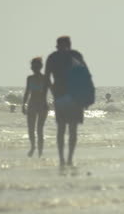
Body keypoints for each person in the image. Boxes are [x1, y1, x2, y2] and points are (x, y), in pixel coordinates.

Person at [45, 36, 89, 167]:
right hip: (61, 97)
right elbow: (47, 78)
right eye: (61, 47)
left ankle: (69, 158)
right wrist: (52, 93)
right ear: (58, 46)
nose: (63, 49)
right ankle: (62, 158)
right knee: (61, 128)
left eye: (65, 46)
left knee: (73, 129)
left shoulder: (74, 56)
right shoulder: (53, 57)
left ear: (68, 46)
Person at [22, 57, 49, 158]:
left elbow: (52, 89)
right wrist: (23, 105)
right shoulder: (30, 78)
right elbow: (27, 92)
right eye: (33, 66)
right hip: (32, 104)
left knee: (39, 129)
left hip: (43, 105)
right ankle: (33, 146)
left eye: (36, 66)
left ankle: (40, 152)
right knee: (31, 128)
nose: (34, 68)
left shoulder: (45, 78)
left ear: (40, 67)